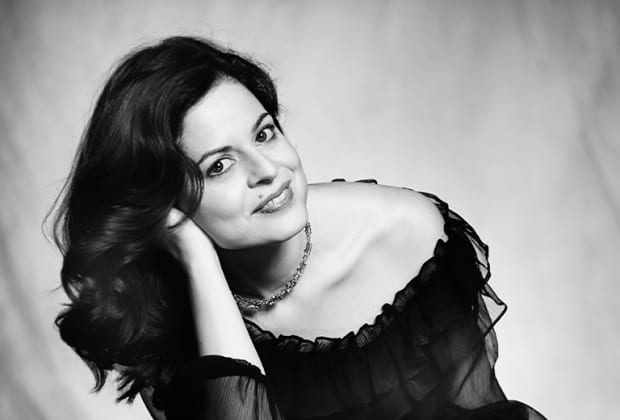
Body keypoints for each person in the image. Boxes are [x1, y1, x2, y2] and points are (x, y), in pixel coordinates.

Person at [50, 36, 546, 419]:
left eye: (265, 133)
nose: (267, 170)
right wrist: (197, 260)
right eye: (218, 166)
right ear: (165, 207)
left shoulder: (407, 239)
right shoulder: (164, 311)